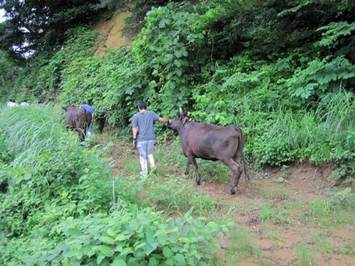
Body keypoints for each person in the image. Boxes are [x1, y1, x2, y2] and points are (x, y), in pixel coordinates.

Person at [131, 100, 167, 177]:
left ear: (139, 107)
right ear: (145, 107)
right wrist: (168, 120)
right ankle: (153, 166)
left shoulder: (136, 116)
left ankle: (144, 174)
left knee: (142, 156)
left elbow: (135, 129)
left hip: (142, 139)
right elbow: (161, 120)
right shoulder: (151, 113)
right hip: (151, 138)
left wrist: (134, 139)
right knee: (150, 153)